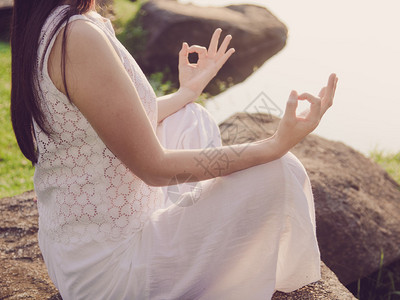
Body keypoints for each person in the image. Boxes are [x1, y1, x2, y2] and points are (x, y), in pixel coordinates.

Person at [10, 0, 338, 299]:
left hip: (75, 252)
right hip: (109, 274)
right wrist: (273, 145)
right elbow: (154, 168)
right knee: (278, 169)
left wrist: (187, 92)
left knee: (189, 117)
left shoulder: (54, 23)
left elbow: (115, 118)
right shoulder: (77, 37)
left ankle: (198, 225)